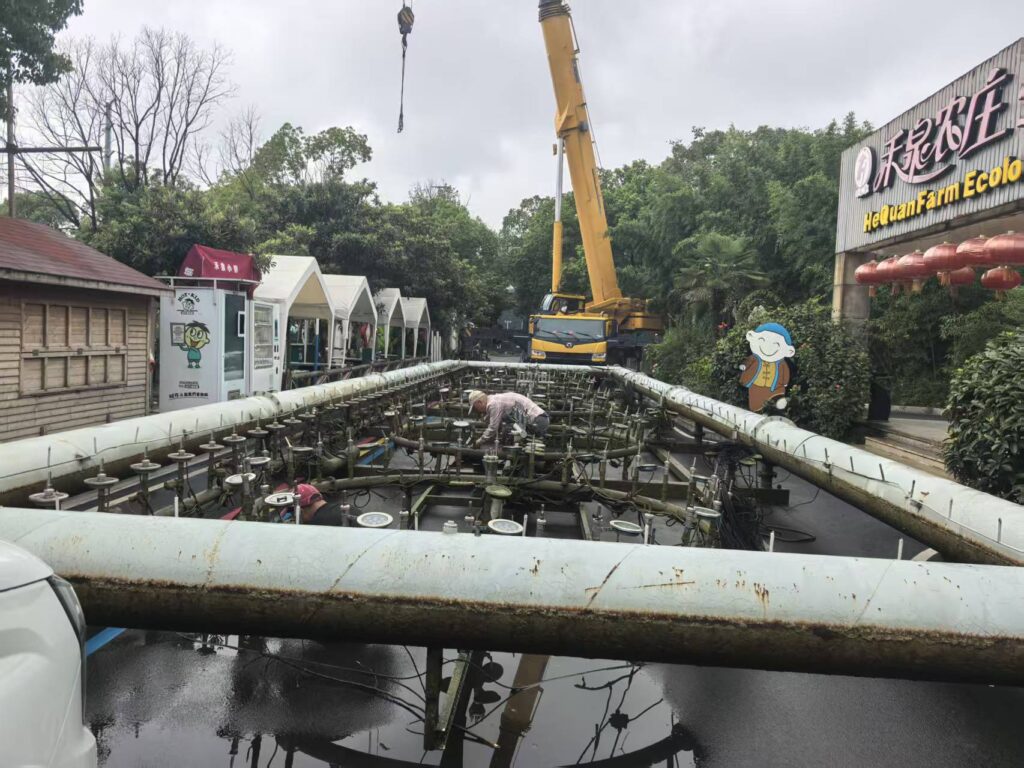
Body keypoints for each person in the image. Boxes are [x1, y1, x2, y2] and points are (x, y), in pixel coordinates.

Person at [467, 390, 549, 448]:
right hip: (538, 420)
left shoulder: (493, 404)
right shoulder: (493, 399)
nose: (476, 410)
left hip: (537, 421)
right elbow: (496, 424)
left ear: (479, 402)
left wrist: (479, 441)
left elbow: (493, 427)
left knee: (530, 451)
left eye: (475, 407)